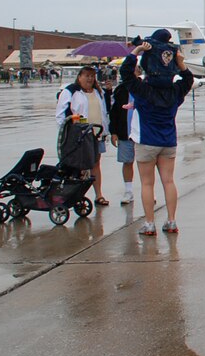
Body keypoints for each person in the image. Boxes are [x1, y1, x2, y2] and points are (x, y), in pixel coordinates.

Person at [120, 33, 195, 236]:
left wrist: (136, 52)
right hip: (168, 141)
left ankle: (150, 223)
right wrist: (181, 64)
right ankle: (171, 221)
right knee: (168, 181)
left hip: (146, 141)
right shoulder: (175, 91)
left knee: (147, 183)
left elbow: (125, 73)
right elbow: (188, 79)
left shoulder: (142, 90)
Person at [55, 66, 110, 205]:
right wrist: (68, 130)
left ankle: (99, 195)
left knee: (96, 164)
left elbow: (105, 110)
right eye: (87, 76)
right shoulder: (71, 91)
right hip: (79, 135)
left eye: (92, 76)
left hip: (97, 134)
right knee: (81, 165)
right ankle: (76, 195)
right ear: (79, 77)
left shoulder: (99, 91)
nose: (90, 79)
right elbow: (60, 115)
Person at [108, 64, 141, 205]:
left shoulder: (144, 87)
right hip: (125, 132)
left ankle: (148, 191)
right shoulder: (120, 90)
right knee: (127, 162)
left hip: (142, 133)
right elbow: (114, 112)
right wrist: (113, 131)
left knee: (146, 162)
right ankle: (128, 191)